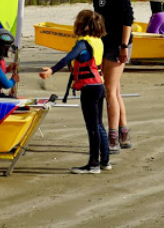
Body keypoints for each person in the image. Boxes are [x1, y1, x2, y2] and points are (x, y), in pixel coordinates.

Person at [39, 10, 111, 173]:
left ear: (81, 25)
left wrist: (51, 70)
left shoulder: (83, 44)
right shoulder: (98, 41)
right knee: (99, 125)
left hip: (90, 89)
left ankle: (94, 164)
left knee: (93, 127)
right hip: (99, 87)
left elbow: (68, 58)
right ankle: (105, 161)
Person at [82, 0, 133, 153]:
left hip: (119, 43)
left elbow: (127, 19)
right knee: (115, 90)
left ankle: (112, 138)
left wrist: (124, 46)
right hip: (105, 43)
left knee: (109, 90)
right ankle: (124, 133)